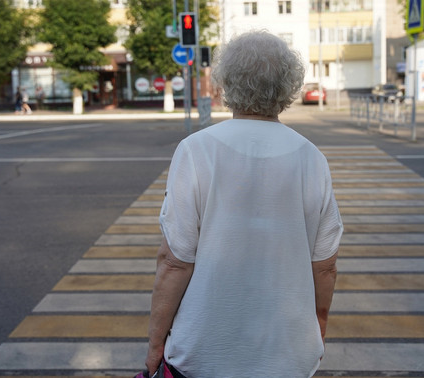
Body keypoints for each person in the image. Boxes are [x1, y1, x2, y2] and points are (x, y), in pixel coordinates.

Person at [142, 31, 343, 378]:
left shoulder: (196, 150)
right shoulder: (312, 158)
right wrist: (316, 330)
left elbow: (174, 262)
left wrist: (155, 344)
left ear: (226, 84)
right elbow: (324, 267)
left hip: (203, 353)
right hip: (288, 356)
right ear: (288, 86)